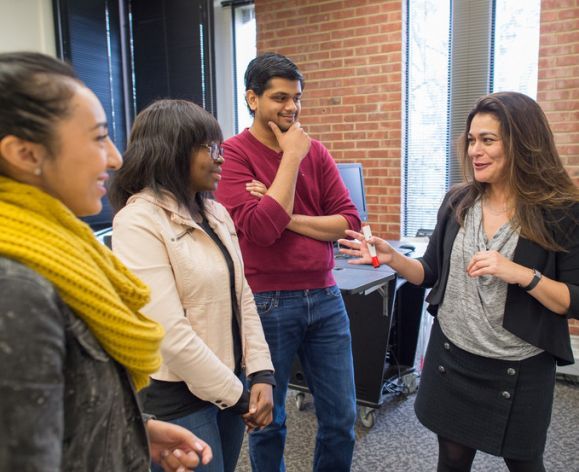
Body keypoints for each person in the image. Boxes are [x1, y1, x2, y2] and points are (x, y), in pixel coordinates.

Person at [338, 91, 579, 472]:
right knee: (450, 459)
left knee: (524, 462)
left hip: (519, 368)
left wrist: (520, 274)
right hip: (454, 356)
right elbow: (429, 272)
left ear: (522, 143)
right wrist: (393, 258)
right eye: (471, 140)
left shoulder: (559, 211)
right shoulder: (459, 201)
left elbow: (572, 301)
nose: (474, 151)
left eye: (488, 140)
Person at [0, 52, 212, 471]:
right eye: (98, 138)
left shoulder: (64, 251)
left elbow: (59, 402)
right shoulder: (18, 289)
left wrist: (136, 428)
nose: (115, 158)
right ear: (25, 154)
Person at [108, 99, 275, 472]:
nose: (221, 158)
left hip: (227, 383)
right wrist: (240, 397)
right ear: (173, 150)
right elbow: (169, 333)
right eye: (210, 148)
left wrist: (261, 372)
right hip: (181, 398)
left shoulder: (215, 212)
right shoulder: (137, 221)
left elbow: (242, 295)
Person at [215, 52, 362, 472]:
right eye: (280, 98)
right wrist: (291, 157)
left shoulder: (315, 151)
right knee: (268, 421)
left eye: (296, 98)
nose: (291, 108)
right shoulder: (234, 154)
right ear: (252, 98)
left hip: (325, 296)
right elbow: (260, 230)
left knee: (341, 420)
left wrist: (288, 217)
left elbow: (348, 222)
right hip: (267, 302)